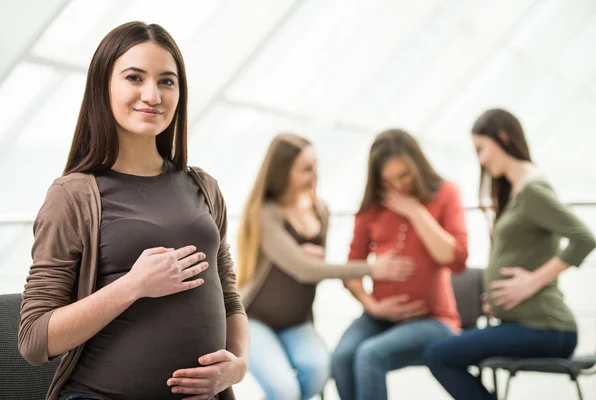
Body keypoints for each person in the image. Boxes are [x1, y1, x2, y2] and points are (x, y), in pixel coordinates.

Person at [17, 22, 248, 400]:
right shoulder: (73, 195)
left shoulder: (204, 187)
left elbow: (229, 296)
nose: (152, 94)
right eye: (134, 77)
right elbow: (34, 339)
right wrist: (134, 284)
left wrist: (238, 365)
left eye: (167, 81)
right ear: (103, 86)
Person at [424, 108, 596, 399]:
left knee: (439, 354)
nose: (480, 160)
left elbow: (584, 238)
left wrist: (531, 282)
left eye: (482, 149)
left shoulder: (532, 190)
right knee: (443, 351)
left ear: (502, 137)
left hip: (548, 328)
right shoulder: (517, 191)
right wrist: (500, 302)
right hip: (526, 325)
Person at [236, 133, 409, 400]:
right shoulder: (266, 213)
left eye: (315, 165)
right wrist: (372, 268)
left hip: (297, 322)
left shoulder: (320, 210)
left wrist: (304, 258)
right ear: (284, 172)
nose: (315, 174)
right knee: (284, 390)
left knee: (318, 371)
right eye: (306, 169)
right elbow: (304, 270)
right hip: (255, 321)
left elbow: (311, 272)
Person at [331, 129, 469, 400]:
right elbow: (351, 272)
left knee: (370, 354)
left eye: (403, 175)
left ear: (418, 165)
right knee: (342, 357)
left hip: (434, 320)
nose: (398, 186)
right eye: (389, 180)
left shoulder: (446, 193)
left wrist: (415, 211)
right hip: (379, 317)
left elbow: (456, 259)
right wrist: (374, 306)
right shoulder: (373, 207)